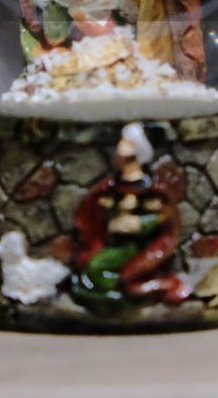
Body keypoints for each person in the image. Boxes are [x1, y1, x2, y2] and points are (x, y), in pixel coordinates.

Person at [70, 123, 192, 311]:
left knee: (96, 267)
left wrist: (139, 224)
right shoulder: (113, 185)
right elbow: (98, 211)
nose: (120, 147)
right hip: (113, 242)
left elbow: (163, 219)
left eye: (126, 142)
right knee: (90, 267)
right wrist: (108, 215)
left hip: (134, 246)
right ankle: (116, 289)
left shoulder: (150, 188)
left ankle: (127, 286)